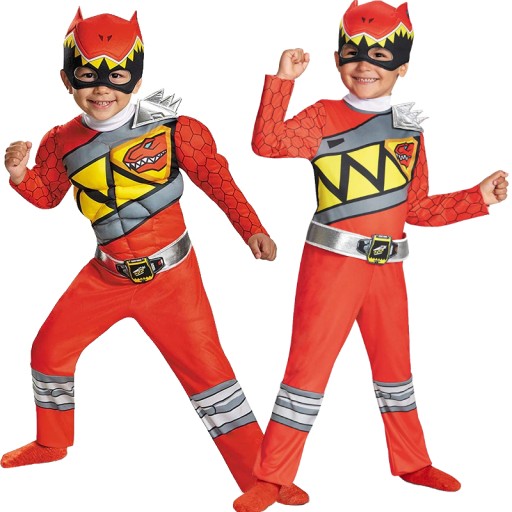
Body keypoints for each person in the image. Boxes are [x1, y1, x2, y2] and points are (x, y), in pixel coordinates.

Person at [1, 8, 308, 506]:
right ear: (66, 79)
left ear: (137, 79)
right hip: (106, 276)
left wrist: (252, 229)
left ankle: (264, 481)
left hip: (172, 279)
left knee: (212, 381)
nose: (102, 89)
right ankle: (51, 442)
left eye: (117, 77)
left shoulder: (175, 129)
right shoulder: (60, 141)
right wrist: (19, 176)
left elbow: (219, 182)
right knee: (48, 351)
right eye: (87, 76)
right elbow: (47, 195)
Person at [233, 1, 508, 510]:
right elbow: (268, 144)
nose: (364, 66)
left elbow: (416, 209)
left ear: (402, 67)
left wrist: (478, 198)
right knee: (305, 373)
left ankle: (412, 462)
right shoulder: (322, 115)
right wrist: (282, 81)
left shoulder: (410, 128)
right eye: (353, 55)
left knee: (396, 370)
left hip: (389, 270)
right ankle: (271, 477)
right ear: (338, 60)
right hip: (331, 267)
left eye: (380, 56)